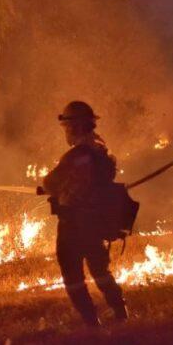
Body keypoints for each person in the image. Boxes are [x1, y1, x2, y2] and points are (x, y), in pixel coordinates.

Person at [41, 101, 128, 326]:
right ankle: (120, 312)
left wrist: (51, 187)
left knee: (72, 273)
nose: (66, 132)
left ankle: (91, 321)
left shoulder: (76, 155)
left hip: (74, 222)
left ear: (77, 126)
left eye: (68, 127)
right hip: (96, 219)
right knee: (100, 269)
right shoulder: (101, 148)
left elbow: (51, 182)